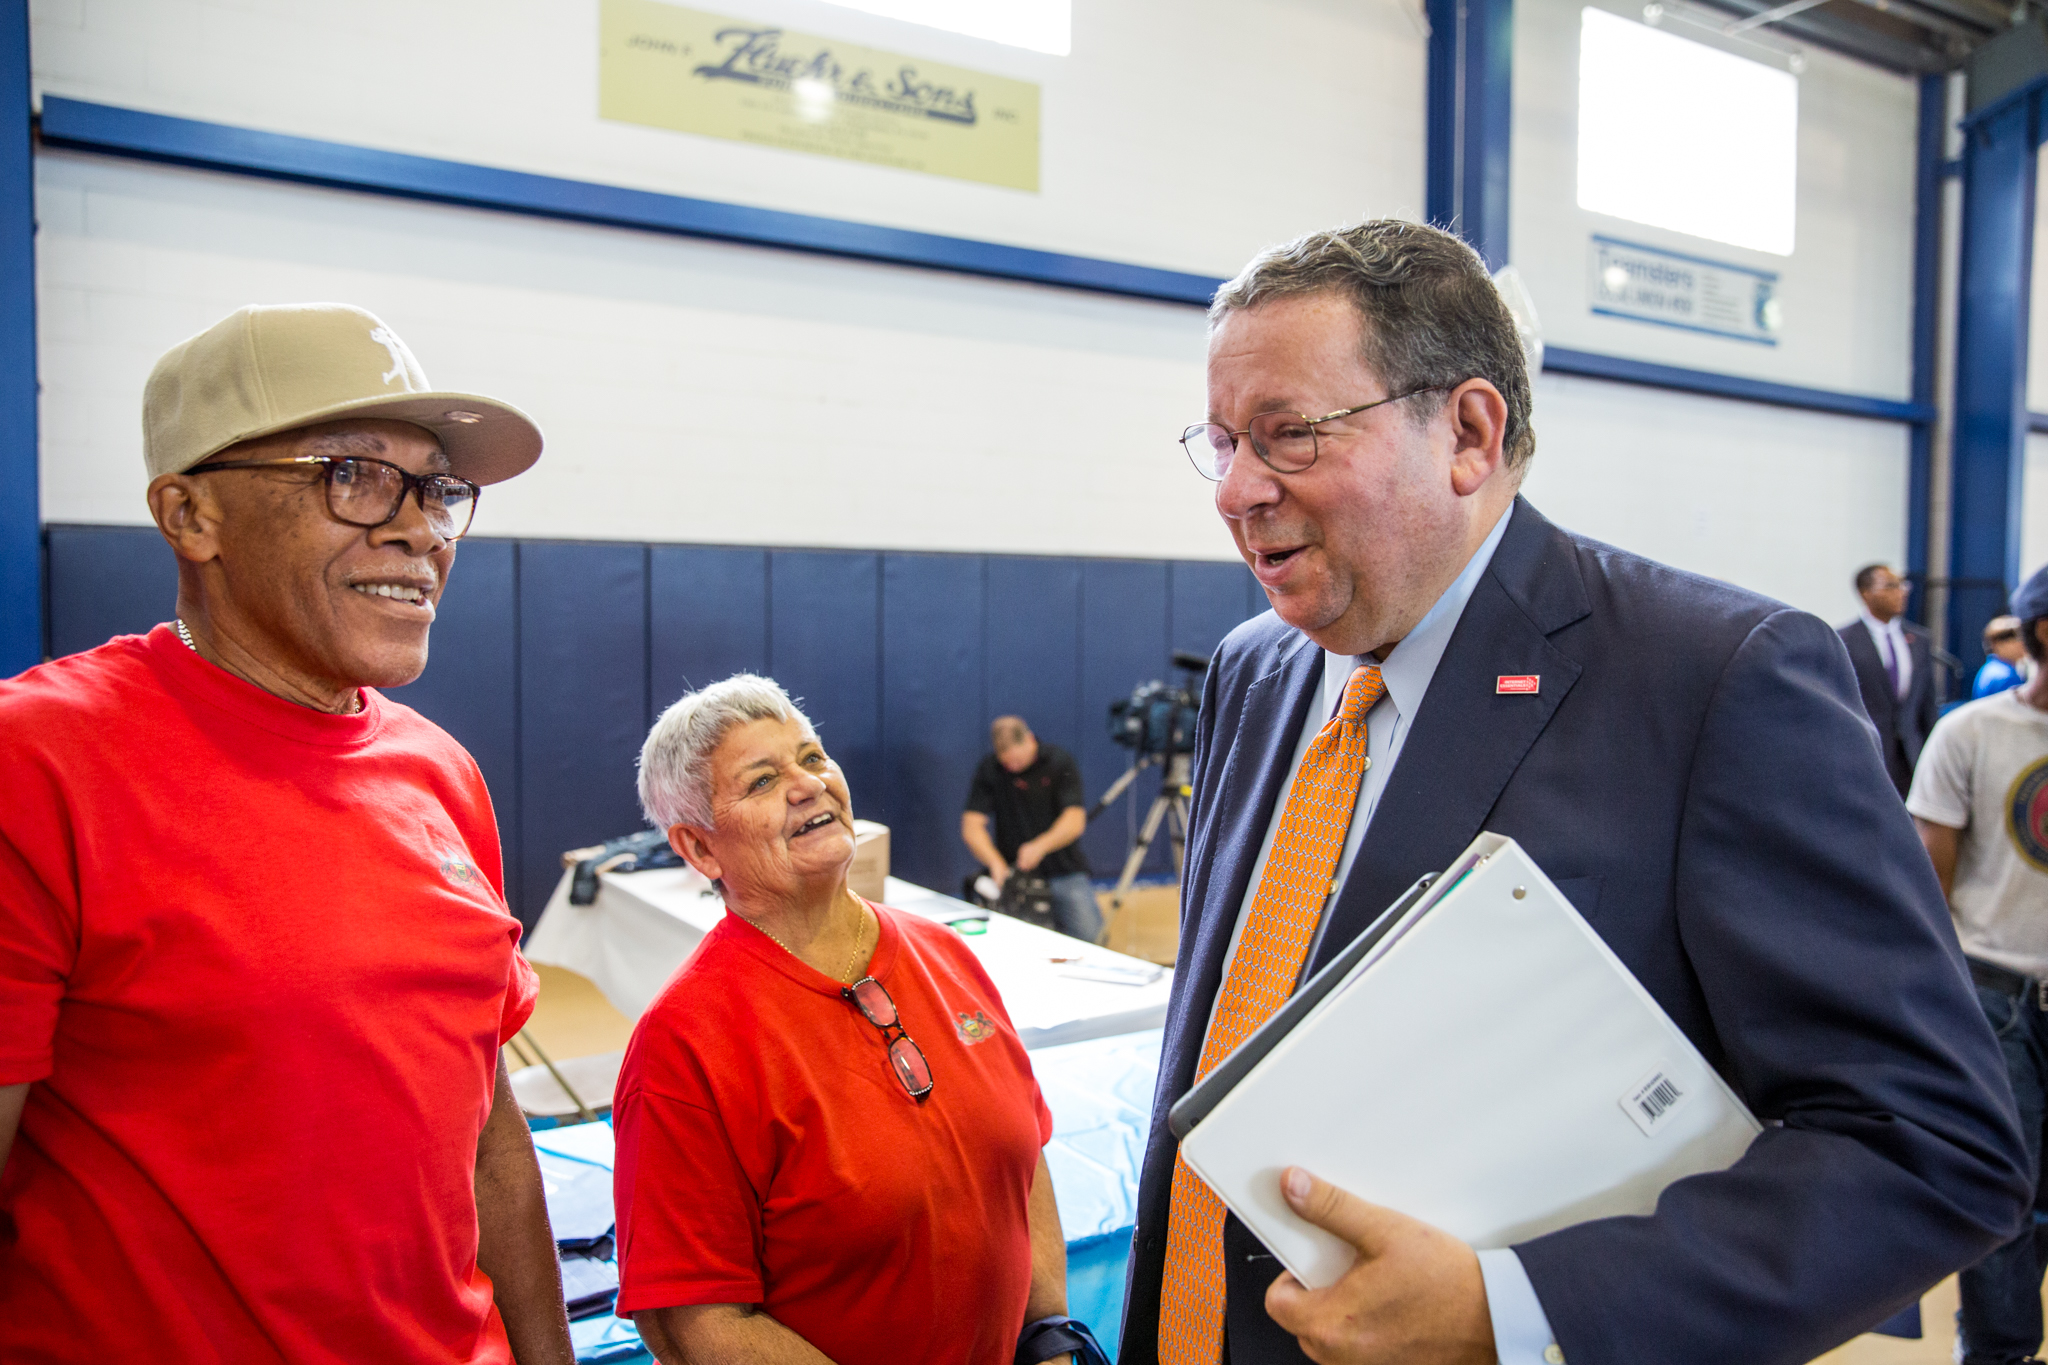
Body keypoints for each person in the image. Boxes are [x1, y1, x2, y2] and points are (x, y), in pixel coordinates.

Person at [1122, 221, 2027, 1365]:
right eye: (1221, 443)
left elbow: (1931, 1145)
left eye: (1288, 436)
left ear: (1464, 431)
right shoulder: (1256, 670)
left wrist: (1511, 1311)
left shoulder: (1716, 682)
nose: (1237, 490)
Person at [0, 303, 573, 1363]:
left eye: (440, 489)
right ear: (190, 516)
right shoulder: (36, 762)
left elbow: (486, 1131)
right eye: (352, 474)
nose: (418, 529)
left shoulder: (441, 774)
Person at [615, 675, 1092, 1365]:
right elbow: (699, 1324)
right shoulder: (684, 1044)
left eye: (812, 757)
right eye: (761, 781)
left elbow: (1023, 1158)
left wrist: (1046, 1332)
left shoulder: (946, 952)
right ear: (700, 849)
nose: (808, 784)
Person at [1909, 565, 2048, 1365]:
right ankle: (1999, 1351)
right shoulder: (1971, 733)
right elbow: (1931, 881)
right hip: (1996, 993)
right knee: (2005, 1187)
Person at [964, 715, 1101, 943]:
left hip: (1063, 871)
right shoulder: (991, 769)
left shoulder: (1059, 761)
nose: (1013, 767)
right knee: (1016, 942)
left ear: (1029, 740)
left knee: (1090, 935)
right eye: (1007, 763)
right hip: (1012, 875)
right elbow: (972, 826)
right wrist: (995, 863)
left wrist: (1040, 846)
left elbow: (1074, 820)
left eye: (1017, 760)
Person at [1838, 562, 1940, 796]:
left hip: (1911, 756)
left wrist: (1931, 752)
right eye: (1891, 586)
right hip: (1866, 756)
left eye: (1903, 585)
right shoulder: (1844, 640)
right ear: (1866, 593)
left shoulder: (1919, 640)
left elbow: (1927, 704)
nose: (1901, 591)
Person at [1975, 615, 2028, 699]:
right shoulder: (2005, 677)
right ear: (1999, 644)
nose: (2023, 643)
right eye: (2019, 638)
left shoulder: (1989, 668)